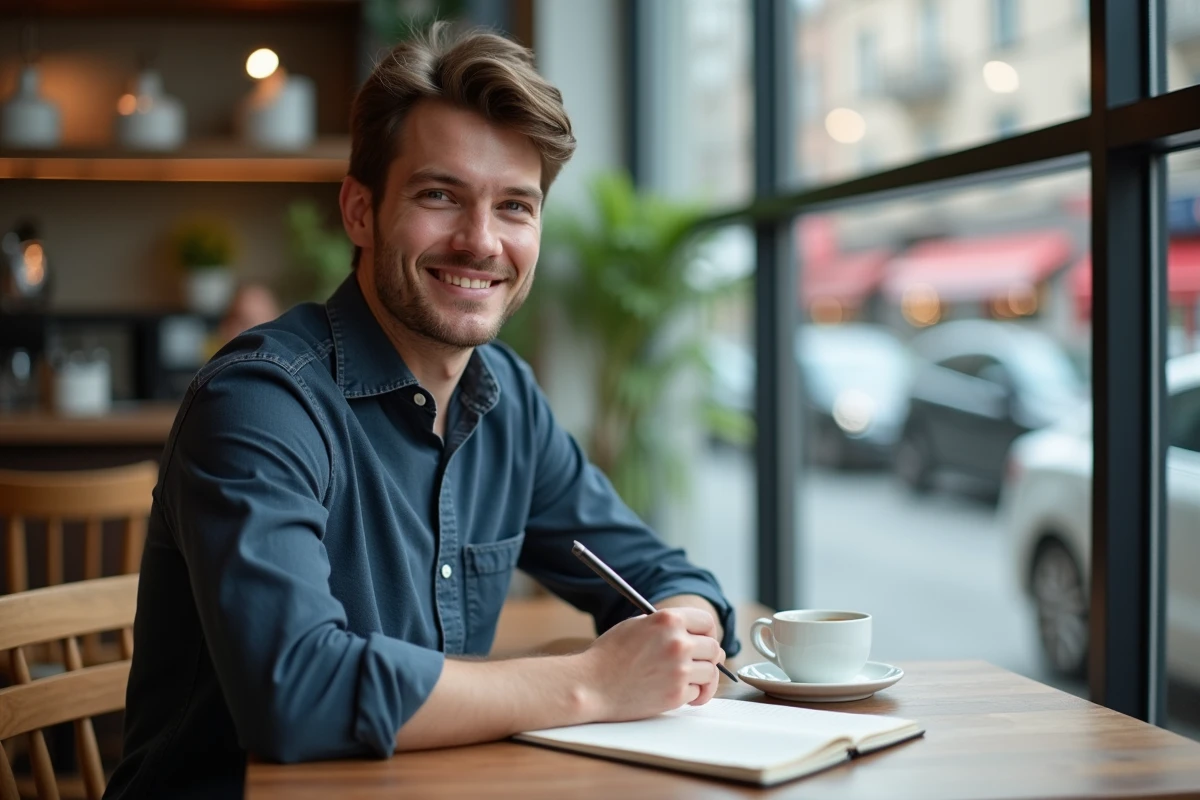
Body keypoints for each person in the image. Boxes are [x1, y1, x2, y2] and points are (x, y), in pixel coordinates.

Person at [103, 23, 738, 800]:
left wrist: (681, 627)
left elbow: (661, 574)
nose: (481, 242)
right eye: (441, 195)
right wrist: (595, 684)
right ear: (360, 211)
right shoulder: (259, 403)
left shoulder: (507, 400)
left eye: (515, 206)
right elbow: (296, 693)